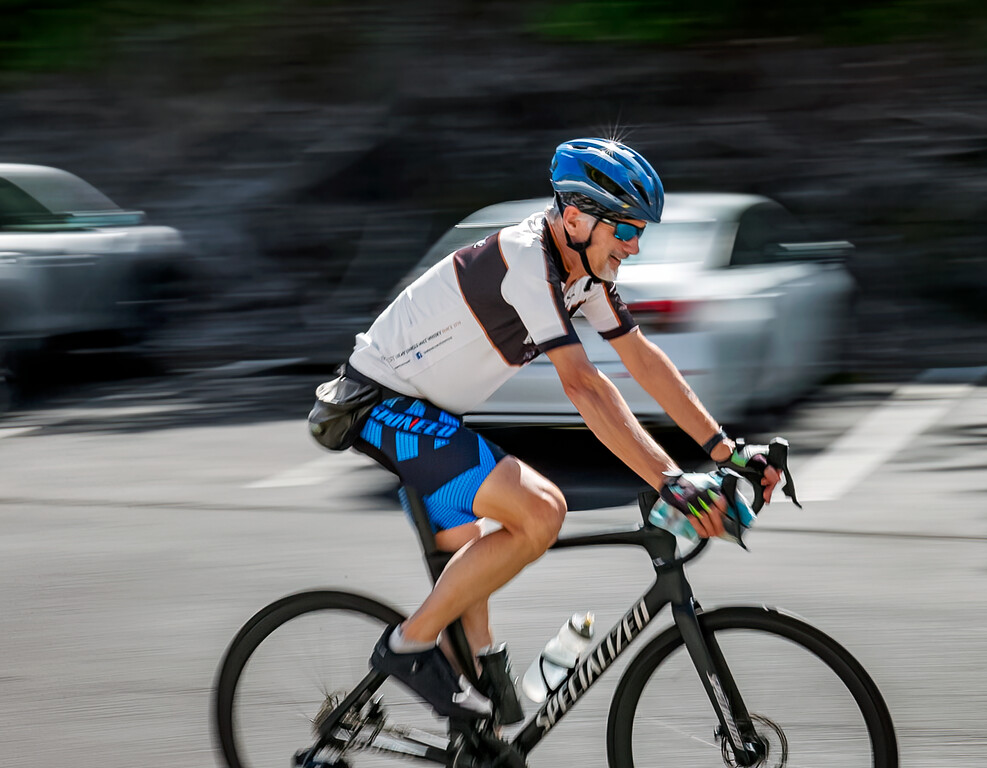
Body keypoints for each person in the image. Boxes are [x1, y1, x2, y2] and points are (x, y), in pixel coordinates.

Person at [308, 137, 781, 721]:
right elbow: (584, 386)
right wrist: (670, 480)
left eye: (640, 232)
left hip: (431, 415)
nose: (634, 245)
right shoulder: (526, 260)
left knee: (484, 687)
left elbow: (642, 360)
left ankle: (471, 722)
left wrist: (726, 450)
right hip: (379, 404)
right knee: (542, 510)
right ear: (576, 219)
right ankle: (408, 646)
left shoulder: (584, 273)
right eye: (625, 229)